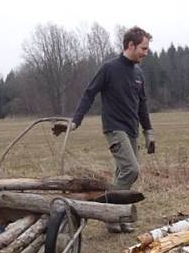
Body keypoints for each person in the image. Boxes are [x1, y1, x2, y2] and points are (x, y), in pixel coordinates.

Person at [53, 26, 155, 233]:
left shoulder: (138, 73)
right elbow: (89, 93)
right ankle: (106, 210)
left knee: (122, 174)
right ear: (130, 45)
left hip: (132, 130)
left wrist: (148, 131)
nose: (146, 53)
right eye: (143, 48)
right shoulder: (109, 69)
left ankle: (115, 216)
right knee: (131, 170)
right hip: (114, 128)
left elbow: (142, 104)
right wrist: (75, 122)